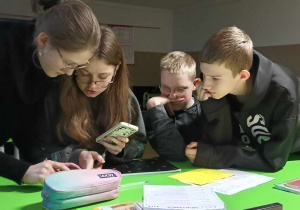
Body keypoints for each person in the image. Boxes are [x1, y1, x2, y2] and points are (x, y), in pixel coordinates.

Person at [0, 0, 101, 184]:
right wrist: (20, 171)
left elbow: (33, 135)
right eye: (68, 63)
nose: (70, 72)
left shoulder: (51, 66)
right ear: (43, 41)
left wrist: (72, 157)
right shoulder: (5, 48)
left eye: (78, 66)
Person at [187, 26, 300, 172]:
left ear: (243, 76)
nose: (206, 84)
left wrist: (215, 156)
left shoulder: (285, 92)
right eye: (204, 74)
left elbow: (273, 160)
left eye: (215, 78)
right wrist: (213, 107)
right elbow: (222, 144)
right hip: (255, 157)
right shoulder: (217, 87)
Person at [39, 25, 147, 168]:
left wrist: (122, 151)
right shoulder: (56, 94)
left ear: (116, 70)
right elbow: (39, 147)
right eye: (84, 75)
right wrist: (76, 155)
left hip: (111, 176)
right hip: (66, 176)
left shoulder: (125, 96)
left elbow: (140, 144)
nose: (92, 86)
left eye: (103, 77)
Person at [143, 51, 203, 161]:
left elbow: (180, 155)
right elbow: (172, 153)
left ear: (194, 85)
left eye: (180, 89)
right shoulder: (154, 114)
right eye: (165, 87)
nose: (172, 95)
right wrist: (157, 111)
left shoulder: (206, 113)